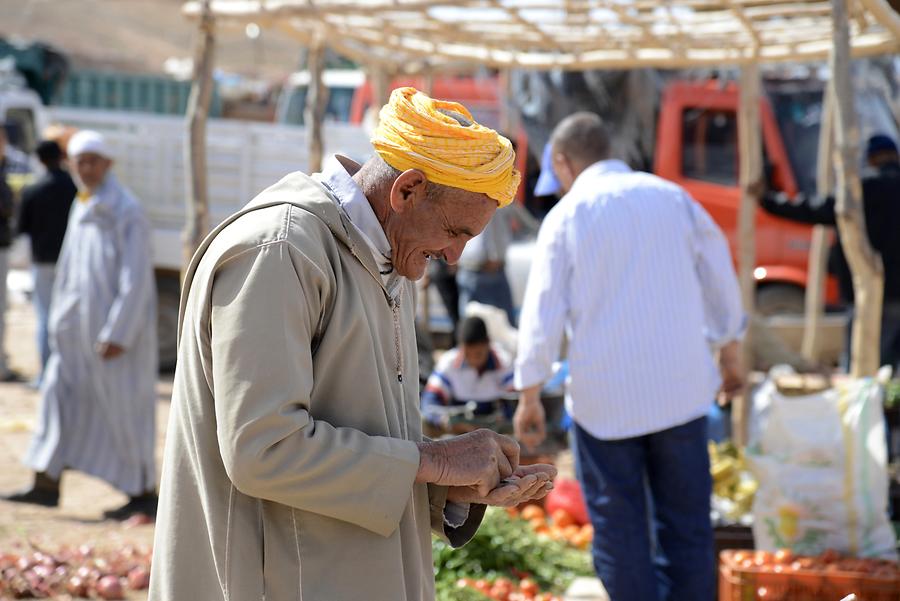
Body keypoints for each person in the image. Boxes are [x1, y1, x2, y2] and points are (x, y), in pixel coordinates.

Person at [149, 88, 557, 601]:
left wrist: (451, 483)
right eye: (455, 231)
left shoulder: (391, 260)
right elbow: (263, 450)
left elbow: (369, 437)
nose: (454, 256)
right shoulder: (281, 250)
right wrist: (435, 462)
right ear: (407, 191)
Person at [513, 112, 746, 601]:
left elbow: (542, 314)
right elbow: (720, 276)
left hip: (605, 405)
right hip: (681, 394)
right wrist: (731, 350)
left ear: (562, 162)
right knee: (686, 529)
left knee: (621, 533)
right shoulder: (673, 198)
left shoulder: (567, 216)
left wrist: (530, 393)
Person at [3, 131, 158, 519]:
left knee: (122, 411)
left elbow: (136, 278)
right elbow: (72, 271)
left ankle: (142, 491)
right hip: (74, 337)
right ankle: (45, 482)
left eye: (93, 161)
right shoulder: (83, 204)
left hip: (113, 340)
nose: (86, 168)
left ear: (107, 164)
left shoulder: (126, 210)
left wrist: (118, 332)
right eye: (80, 161)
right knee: (57, 400)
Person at [753, 133, 900, 371]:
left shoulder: (861, 190)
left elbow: (813, 210)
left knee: (860, 363)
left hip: (866, 292)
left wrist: (768, 201)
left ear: (871, 159)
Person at [17, 140, 77, 384]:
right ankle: (67, 374)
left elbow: (22, 228)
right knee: (69, 318)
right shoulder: (75, 187)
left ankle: (46, 375)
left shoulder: (33, 189)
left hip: (42, 261)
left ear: (40, 160)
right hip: (70, 263)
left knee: (45, 318)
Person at [422, 316, 514, 430]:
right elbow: (429, 403)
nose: (473, 360)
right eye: (467, 355)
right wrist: (442, 420)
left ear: (488, 344)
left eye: (478, 354)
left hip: (497, 430)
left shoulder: (504, 362)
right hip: (458, 431)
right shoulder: (449, 363)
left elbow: (516, 402)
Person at [456, 205, 517, 325]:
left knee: (505, 326)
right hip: (477, 270)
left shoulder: (503, 196)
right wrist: (492, 256)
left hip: (491, 270)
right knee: (472, 326)